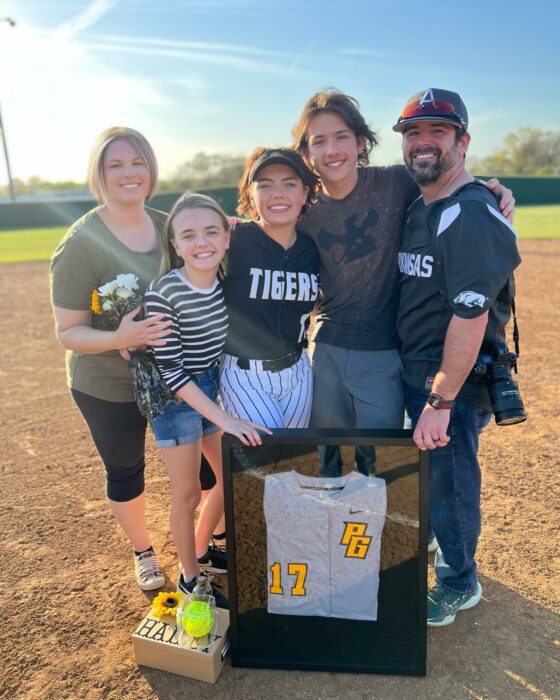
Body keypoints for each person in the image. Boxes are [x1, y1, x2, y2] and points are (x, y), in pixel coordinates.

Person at [291, 90, 514, 481]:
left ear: (361, 142)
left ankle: (383, 539)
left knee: (379, 468)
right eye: (319, 141)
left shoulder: (396, 183)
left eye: (342, 137)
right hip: (324, 350)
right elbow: (264, 222)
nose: (332, 150)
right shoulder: (304, 209)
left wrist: (490, 190)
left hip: (382, 352)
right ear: (307, 152)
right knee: (327, 462)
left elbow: (448, 180)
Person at [394, 87, 521, 626]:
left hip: (452, 381)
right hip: (418, 369)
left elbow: (470, 318)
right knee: (431, 473)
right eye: (413, 133)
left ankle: (458, 582)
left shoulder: (469, 213)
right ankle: (440, 545)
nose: (423, 143)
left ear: (463, 142)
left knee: (450, 481)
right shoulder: (423, 201)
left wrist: (441, 399)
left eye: (438, 133)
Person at [50, 126, 173, 591]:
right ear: (99, 174)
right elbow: (68, 332)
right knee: (126, 469)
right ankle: (143, 549)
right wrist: (118, 336)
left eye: (137, 162)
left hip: (170, 375)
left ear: (150, 169)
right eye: (115, 165)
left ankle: (209, 538)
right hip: (104, 382)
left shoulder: (167, 225)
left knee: (199, 462)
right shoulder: (81, 242)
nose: (129, 173)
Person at [144, 193, 269, 605]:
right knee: (188, 494)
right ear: (175, 245)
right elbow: (173, 373)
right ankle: (189, 578)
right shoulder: (164, 292)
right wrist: (227, 419)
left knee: (227, 476)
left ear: (227, 238)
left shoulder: (223, 281)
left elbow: (257, 226)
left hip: (210, 385)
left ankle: (200, 549)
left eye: (211, 232)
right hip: (175, 397)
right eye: (189, 235)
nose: (202, 242)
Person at [219, 148, 321, 428]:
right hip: (245, 374)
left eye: (289, 184)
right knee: (268, 463)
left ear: (304, 193)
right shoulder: (231, 241)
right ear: (250, 194)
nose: (277, 193)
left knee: (291, 462)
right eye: (265, 185)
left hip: (299, 371)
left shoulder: (314, 248)